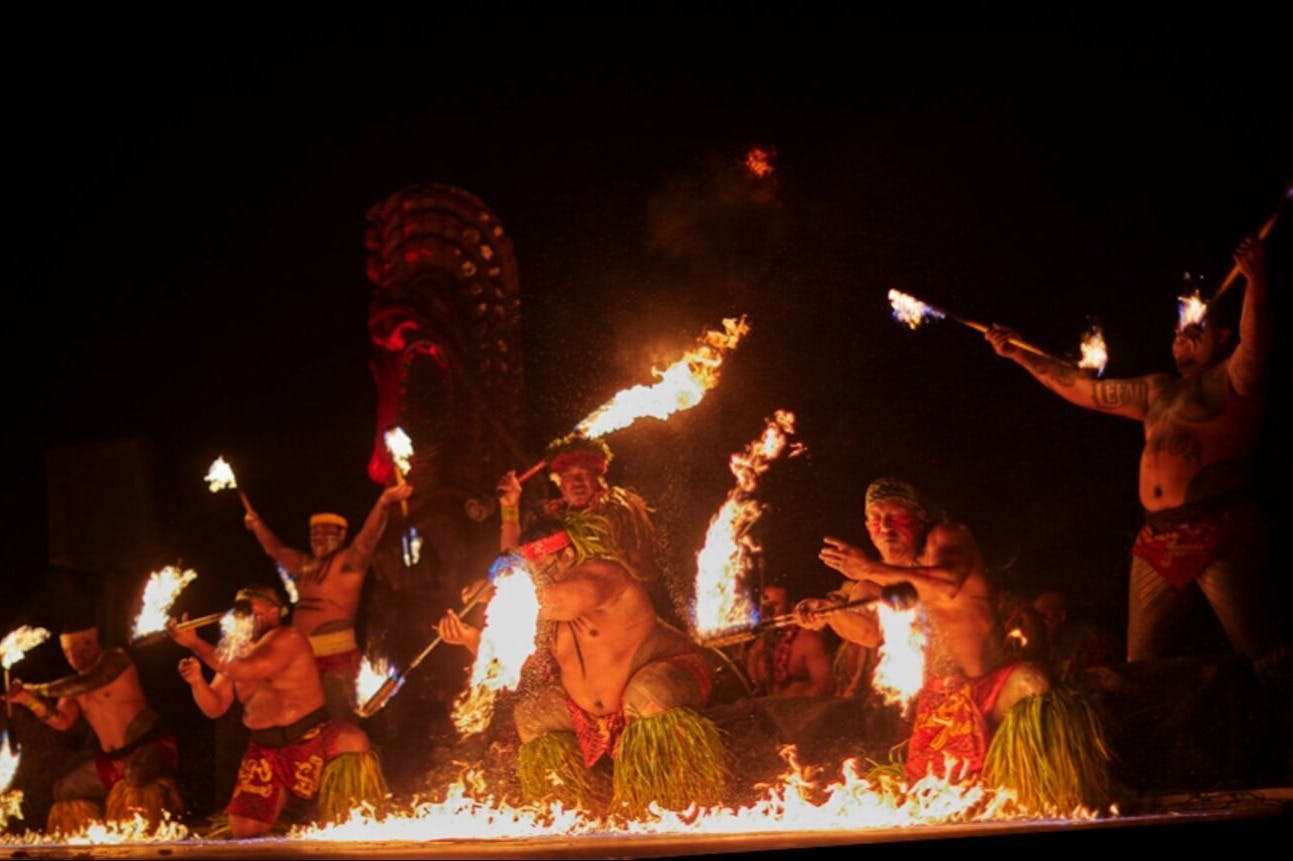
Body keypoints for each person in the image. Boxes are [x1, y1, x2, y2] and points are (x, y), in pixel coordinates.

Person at [986, 235, 1275, 662]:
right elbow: (1084, 389)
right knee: (1140, 664)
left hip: (1219, 529)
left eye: (1195, 333)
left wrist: (1256, 281)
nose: (1182, 342)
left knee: (1263, 658)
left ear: (1224, 337)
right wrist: (1021, 356)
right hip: (1156, 538)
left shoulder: (1232, 380)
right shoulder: (1157, 389)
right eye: (1178, 335)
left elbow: (1257, 346)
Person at [814, 478, 1109, 811]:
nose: (885, 527)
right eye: (875, 518)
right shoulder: (871, 584)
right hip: (939, 705)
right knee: (948, 806)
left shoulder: (947, 539)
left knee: (1033, 683)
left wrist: (868, 567)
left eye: (895, 516)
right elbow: (867, 632)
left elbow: (946, 584)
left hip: (991, 684)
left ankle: (1060, 801)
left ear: (921, 517)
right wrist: (824, 614)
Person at [501, 516, 725, 817]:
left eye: (542, 568)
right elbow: (500, 649)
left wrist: (504, 590)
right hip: (587, 711)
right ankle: (575, 811)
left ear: (566, 555)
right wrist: (467, 634)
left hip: (659, 680)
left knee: (647, 694)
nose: (537, 577)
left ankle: (669, 808)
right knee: (529, 715)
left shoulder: (602, 574)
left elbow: (561, 599)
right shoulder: (543, 609)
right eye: (531, 571)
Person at [170, 585, 387, 838]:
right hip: (265, 750)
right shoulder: (233, 652)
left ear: (274, 612)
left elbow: (248, 670)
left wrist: (196, 643)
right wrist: (197, 681)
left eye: (250, 607)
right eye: (239, 608)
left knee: (353, 743)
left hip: (311, 739)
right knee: (245, 831)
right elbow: (215, 707)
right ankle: (289, 817)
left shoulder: (287, 638)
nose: (243, 614)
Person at [242, 483, 413, 719]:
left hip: (337, 661)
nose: (319, 538)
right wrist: (257, 525)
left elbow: (367, 539)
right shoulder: (305, 566)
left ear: (342, 535)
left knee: (337, 723)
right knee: (302, 723)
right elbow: (277, 550)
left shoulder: (348, 563)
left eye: (326, 533)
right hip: (301, 659)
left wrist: (383, 503)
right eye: (315, 534)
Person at [6, 625, 180, 834]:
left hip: (150, 748)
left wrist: (33, 689)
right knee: (65, 790)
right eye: (67, 652)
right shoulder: (73, 686)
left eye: (78, 649)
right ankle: (91, 838)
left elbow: (87, 683)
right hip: (114, 762)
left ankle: (152, 824)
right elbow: (62, 722)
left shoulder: (116, 660)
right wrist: (26, 699)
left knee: (135, 776)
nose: (73, 656)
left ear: (93, 644)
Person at [742, 581, 834, 698]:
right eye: (765, 606)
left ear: (791, 606)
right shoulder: (761, 642)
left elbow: (825, 686)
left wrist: (791, 703)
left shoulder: (809, 640)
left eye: (774, 605)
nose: (768, 611)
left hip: (803, 711)